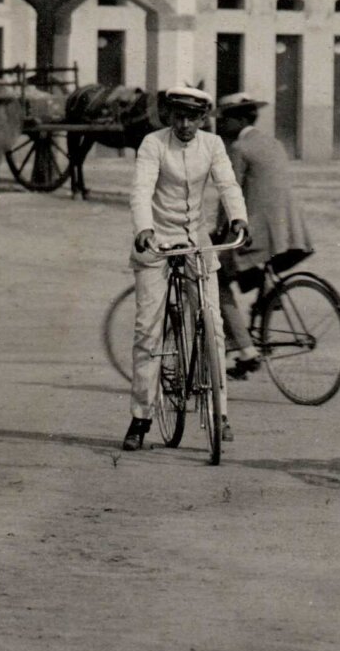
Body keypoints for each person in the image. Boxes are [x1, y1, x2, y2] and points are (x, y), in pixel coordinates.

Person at [122, 85, 249, 452]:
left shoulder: (213, 146)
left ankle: (220, 412)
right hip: (157, 242)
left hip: (197, 241)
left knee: (215, 325)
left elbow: (227, 183)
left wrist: (239, 217)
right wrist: (143, 228)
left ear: (202, 118)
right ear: (168, 116)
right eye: (178, 116)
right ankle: (141, 416)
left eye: (193, 117)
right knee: (148, 329)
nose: (185, 124)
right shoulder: (153, 144)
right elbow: (141, 190)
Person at [214, 92, 313, 378]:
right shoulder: (273, 143)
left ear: (242, 119)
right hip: (291, 235)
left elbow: (229, 196)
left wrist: (219, 230)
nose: (220, 124)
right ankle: (266, 299)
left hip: (261, 236)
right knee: (246, 271)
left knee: (215, 278)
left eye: (226, 118)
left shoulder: (239, 147)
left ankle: (246, 349)